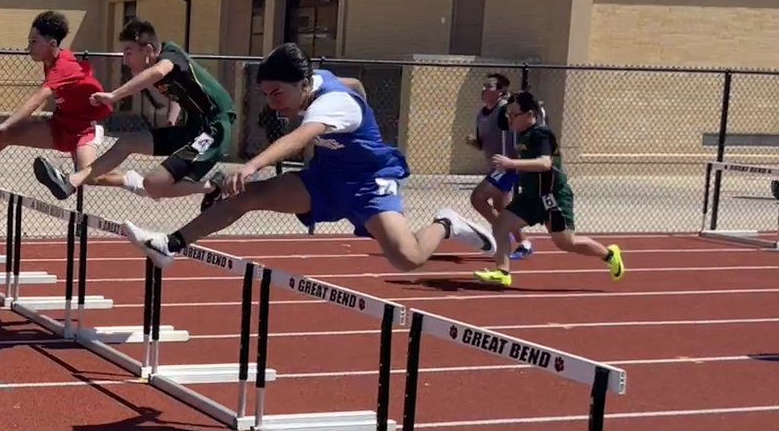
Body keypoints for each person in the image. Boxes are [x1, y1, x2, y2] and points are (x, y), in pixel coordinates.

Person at [120, 42, 497, 270]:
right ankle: (169, 244)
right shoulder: (319, 80)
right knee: (245, 197)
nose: (272, 103)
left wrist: (252, 165)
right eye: (266, 94)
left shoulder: (331, 106)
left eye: (277, 94)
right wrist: (364, 105)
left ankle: (447, 223)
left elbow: (300, 137)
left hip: (369, 184)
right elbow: (354, 82)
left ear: (302, 85)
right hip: (326, 178)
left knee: (408, 259)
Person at [32, 16, 235, 211]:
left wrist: (114, 96)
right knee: (127, 143)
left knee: (153, 184)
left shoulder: (170, 55)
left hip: (213, 129)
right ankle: (70, 182)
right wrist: (171, 119)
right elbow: (178, 94)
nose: (124, 60)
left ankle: (214, 186)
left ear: (148, 50)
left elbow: (157, 72)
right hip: (192, 127)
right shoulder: (163, 69)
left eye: (128, 53)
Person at [0, 11, 124, 191]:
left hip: (85, 131)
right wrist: (11, 127)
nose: (28, 47)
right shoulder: (50, 62)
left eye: (33, 42)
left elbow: (36, 100)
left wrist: (6, 122)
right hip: (60, 127)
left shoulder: (64, 66)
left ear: (52, 44)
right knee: (5, 135)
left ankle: (132, 181)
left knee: (89, 177)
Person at [473, 90, 625, 288]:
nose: (509, 119)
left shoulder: (541, 134)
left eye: (514, 114)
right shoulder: (522, 135)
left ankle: (610, 254)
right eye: (508, 114)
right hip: (530, 198)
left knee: (566, 243)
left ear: (530, 114)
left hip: (552, 197)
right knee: (501, 225)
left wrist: (512, 163)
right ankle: (503, 273)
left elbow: (545, 163)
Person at [467, 73, 533, 259]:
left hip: (507, 166)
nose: (483, 89)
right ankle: (524, 243)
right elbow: (483, 144)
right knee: (503, 208)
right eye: (483, 86)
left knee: (477, 198)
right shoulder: (481, 115)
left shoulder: (505, 109)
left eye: (488, 86)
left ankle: (502, 232)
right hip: (495, 166)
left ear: (501, 91)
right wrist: (473, 142)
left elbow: (518, 131)